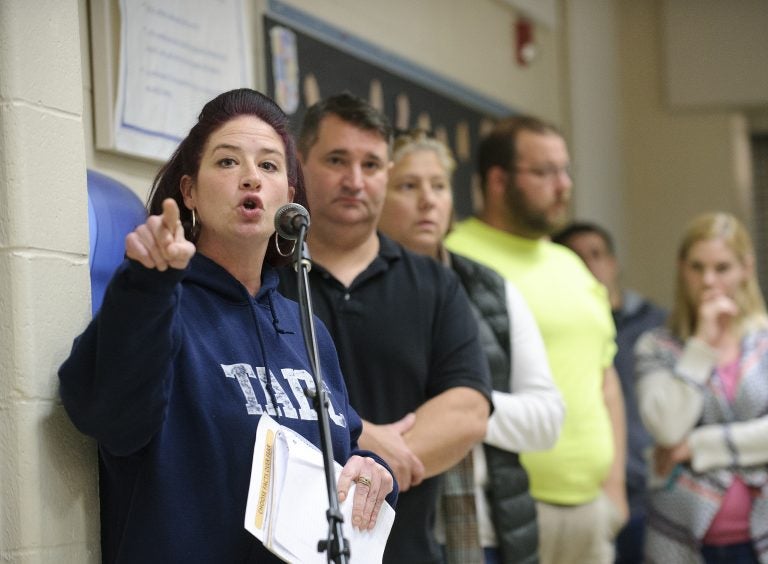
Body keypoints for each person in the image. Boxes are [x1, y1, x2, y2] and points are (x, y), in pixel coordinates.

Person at [57, 88, 396, 563]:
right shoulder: (156, 303)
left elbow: (345, 449)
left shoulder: (308, 330)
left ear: (289, 198)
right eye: (227, 162)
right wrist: (148, 288)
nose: (251, 178)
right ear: (190, 190)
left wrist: (373, 470)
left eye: (269, 166)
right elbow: (107, 418)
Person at [278, 93, 493, 564]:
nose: (355, 180)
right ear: (300, 165)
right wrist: (358, 436)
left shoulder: (435, 284)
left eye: (372, 164)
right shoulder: (265, 275)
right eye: (337, 160)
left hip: (406, 550)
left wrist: (376, 464)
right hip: (282, 548)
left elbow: (468, 408)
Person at [446, 115, 628, 564]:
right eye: (545, 172)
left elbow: (605, 379)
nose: (564, 185)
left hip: (593, 509)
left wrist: (616, 489)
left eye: (565, 170)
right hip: (507, 509)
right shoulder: (455, 255)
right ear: (498, 179)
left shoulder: (571, 265)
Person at [378, 129, 565, 564]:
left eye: (439, 186)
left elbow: (547, 418)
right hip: (389, 526)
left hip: (489, 529)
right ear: (374, 195)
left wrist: (462, 407)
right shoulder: (349, 291)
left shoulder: (490, 291)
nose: (428, 200)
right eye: (408, 186)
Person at [635, 212, 768, 564]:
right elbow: (667, 427)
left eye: (722, 268)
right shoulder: (656, 346)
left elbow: (681, 439)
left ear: (746, 268)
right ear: (682, 268)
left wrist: (694, 446)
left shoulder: (764, 342)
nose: (709, 281)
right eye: (697, 267)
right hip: (680, 541)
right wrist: (701, 346)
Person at [553, 221, 667, 564]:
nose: (590, 265)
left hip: (650, 491)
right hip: (582, 490)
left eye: (597, 254)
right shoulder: (554, 330)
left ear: (614, 263)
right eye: (576, 257)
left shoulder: (654, 324)